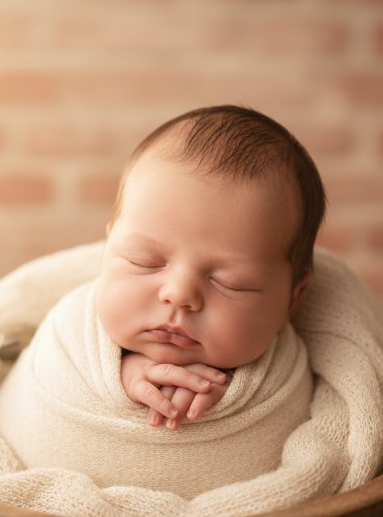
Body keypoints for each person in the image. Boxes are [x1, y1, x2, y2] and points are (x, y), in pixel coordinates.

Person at [97, 104, 327, 430]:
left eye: (230, 282)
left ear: (292, 299)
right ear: (108, 249)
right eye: (143, 261)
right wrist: (117, 371)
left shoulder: (302, 374)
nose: (178, 294)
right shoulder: (71, 332)